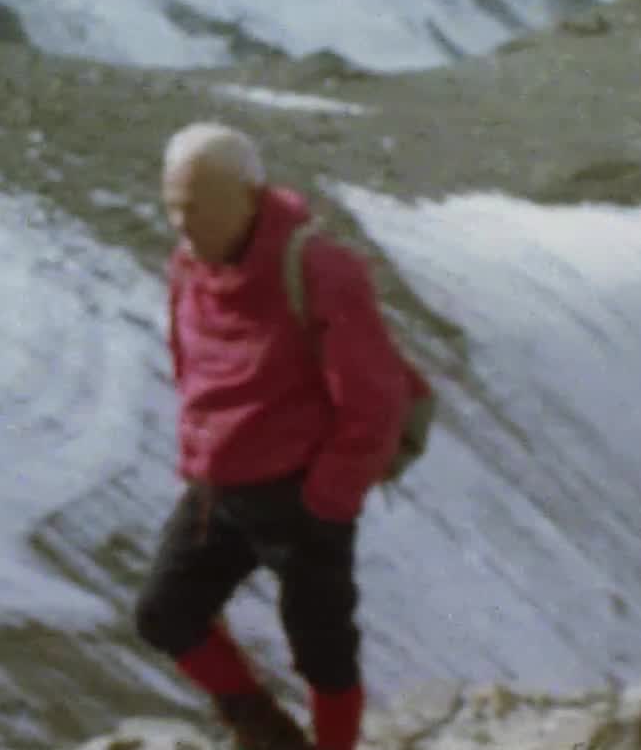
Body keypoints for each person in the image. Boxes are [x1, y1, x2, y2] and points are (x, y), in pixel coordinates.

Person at [134, 121, 426, 750]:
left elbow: (373, 400)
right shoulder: (187, 267)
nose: (184, 227)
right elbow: (191, 363)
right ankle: (267, 735)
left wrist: (327, 498)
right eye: (174, 210)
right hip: (219, 485)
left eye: (198, 209)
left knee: (321, 645)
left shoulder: (320, 267)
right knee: (165, 611)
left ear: (249, 196)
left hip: (299, 492)